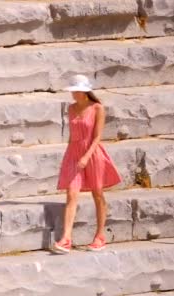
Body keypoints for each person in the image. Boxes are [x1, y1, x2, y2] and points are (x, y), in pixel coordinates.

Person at [53, 75, 122, 254]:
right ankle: (66, 238)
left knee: (97, 193)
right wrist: (69, 155)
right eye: (72, 91)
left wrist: (86, 156)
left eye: (75, 91)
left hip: (93, 154)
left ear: (83, 92)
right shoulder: (71, 108)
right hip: (74, 154)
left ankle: (100, 236)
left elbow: (97, 136)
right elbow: (72, 135)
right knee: (71, 193)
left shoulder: (97, 108)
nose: (72, 94)